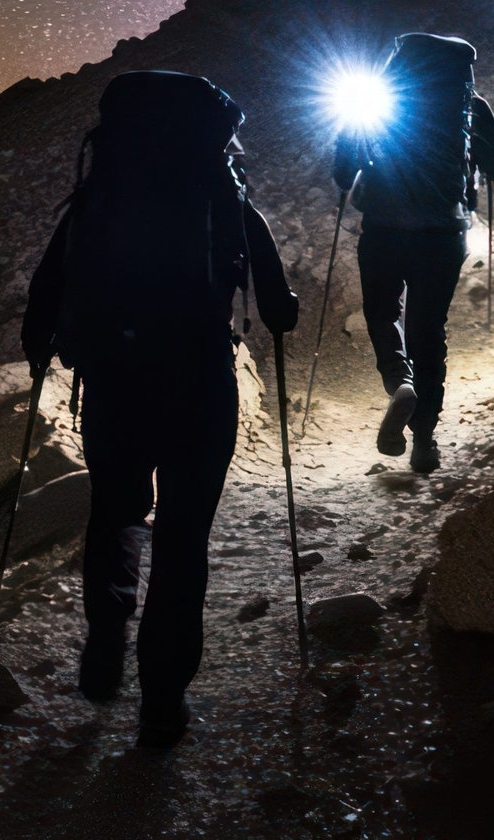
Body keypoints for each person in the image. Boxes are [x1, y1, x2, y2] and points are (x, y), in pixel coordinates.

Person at [22, 70, 297, 751]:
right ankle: (163, 705)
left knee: (114, 511)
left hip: (116, 381)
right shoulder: (224, 195)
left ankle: (106, 638)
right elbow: (280, 308)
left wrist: (45, 350)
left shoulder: (100, 195)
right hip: (200, 383)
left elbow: (45, 295)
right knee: (182, 541)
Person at [332, 33, 494, 476]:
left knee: (381, 314)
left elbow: (341, 170)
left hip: (384, 230)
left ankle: (399, 382)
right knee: (428, 329)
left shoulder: (374, 103)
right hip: (445, 233)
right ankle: (425, 441)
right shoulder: (471, 106)